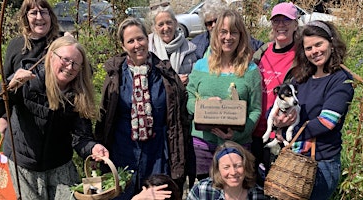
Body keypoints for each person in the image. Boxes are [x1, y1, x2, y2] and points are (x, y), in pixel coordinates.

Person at [0, 36, 109, 199]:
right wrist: (9, 86)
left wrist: (92, 148)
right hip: (24, 163)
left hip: (58, 163)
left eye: (75, 64)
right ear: (50, 56)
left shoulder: (78, 94)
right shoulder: (28, 79)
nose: (69, 67)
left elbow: (80, 137)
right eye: (65, 59)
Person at [94, 17, 191, 199]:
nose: (137, 44)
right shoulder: (116, 76)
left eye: (140, 38)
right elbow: (105, 117)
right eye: (130, 41)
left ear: (148, 39)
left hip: (157, 155)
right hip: (123, 153)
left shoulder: (165, 74)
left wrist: (179, 162)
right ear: (123, 46)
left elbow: (179, 121)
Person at [274, 20, 354, 199]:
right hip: (294, 160)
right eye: (309, 48)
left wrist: (291, 131)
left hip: (320, 164)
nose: (314, 51)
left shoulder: (340, 80)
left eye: (319, 44)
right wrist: (277, 123)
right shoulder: (300, 77)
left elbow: (326, 122)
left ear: (331, 43)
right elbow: (279, 104)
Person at [186, 9, 262, 181]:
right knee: (204, 192)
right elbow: (189, 99)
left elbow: (255, 109)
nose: (228, 37)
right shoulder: (200, 66)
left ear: (241, 35)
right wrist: (203, 105)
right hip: (203, 145)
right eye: (223, 32)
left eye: (234, 32)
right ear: (215, 34)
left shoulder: (251, 71)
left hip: (238, 147)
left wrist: (236, 136)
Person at [251, 1, 299, 181]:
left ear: (295, 24)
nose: (281, 25)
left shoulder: (301, 56)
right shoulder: (262, 53)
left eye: (286, 20)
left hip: (277, 134)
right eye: (276, 21)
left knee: (274, 187)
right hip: (253, 131)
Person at [0, 0, 60, 136]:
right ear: (25, 17)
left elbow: (84, 73)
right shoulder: (16, 45)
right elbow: (6, 83)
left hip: (55, 122)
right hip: (23, 126)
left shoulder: (61, 43)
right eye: (33, 13)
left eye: (44, 12)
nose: (39, 17)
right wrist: (4, 116)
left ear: (50, 15)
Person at [187, 141, 265, 199]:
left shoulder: (259, 195)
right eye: (226, 167)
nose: (233, 172)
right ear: (218, 170)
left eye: (238, 166)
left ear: (246, 166)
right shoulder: (201, 191)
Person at [191, 0, 264, 60]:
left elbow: (261, 48)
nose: (213, 25)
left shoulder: (238, 37)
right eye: (209, 23)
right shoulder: (196, 43)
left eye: (216, 21)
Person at [147, 2, 197, 85]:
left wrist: (188, 80)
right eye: (161, 24)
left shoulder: (189, 49)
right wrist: (174, 81)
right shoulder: (148, 48)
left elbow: (195, 77)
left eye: (169, 22)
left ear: (175, 23)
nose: (166, 28)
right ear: (154, 28)